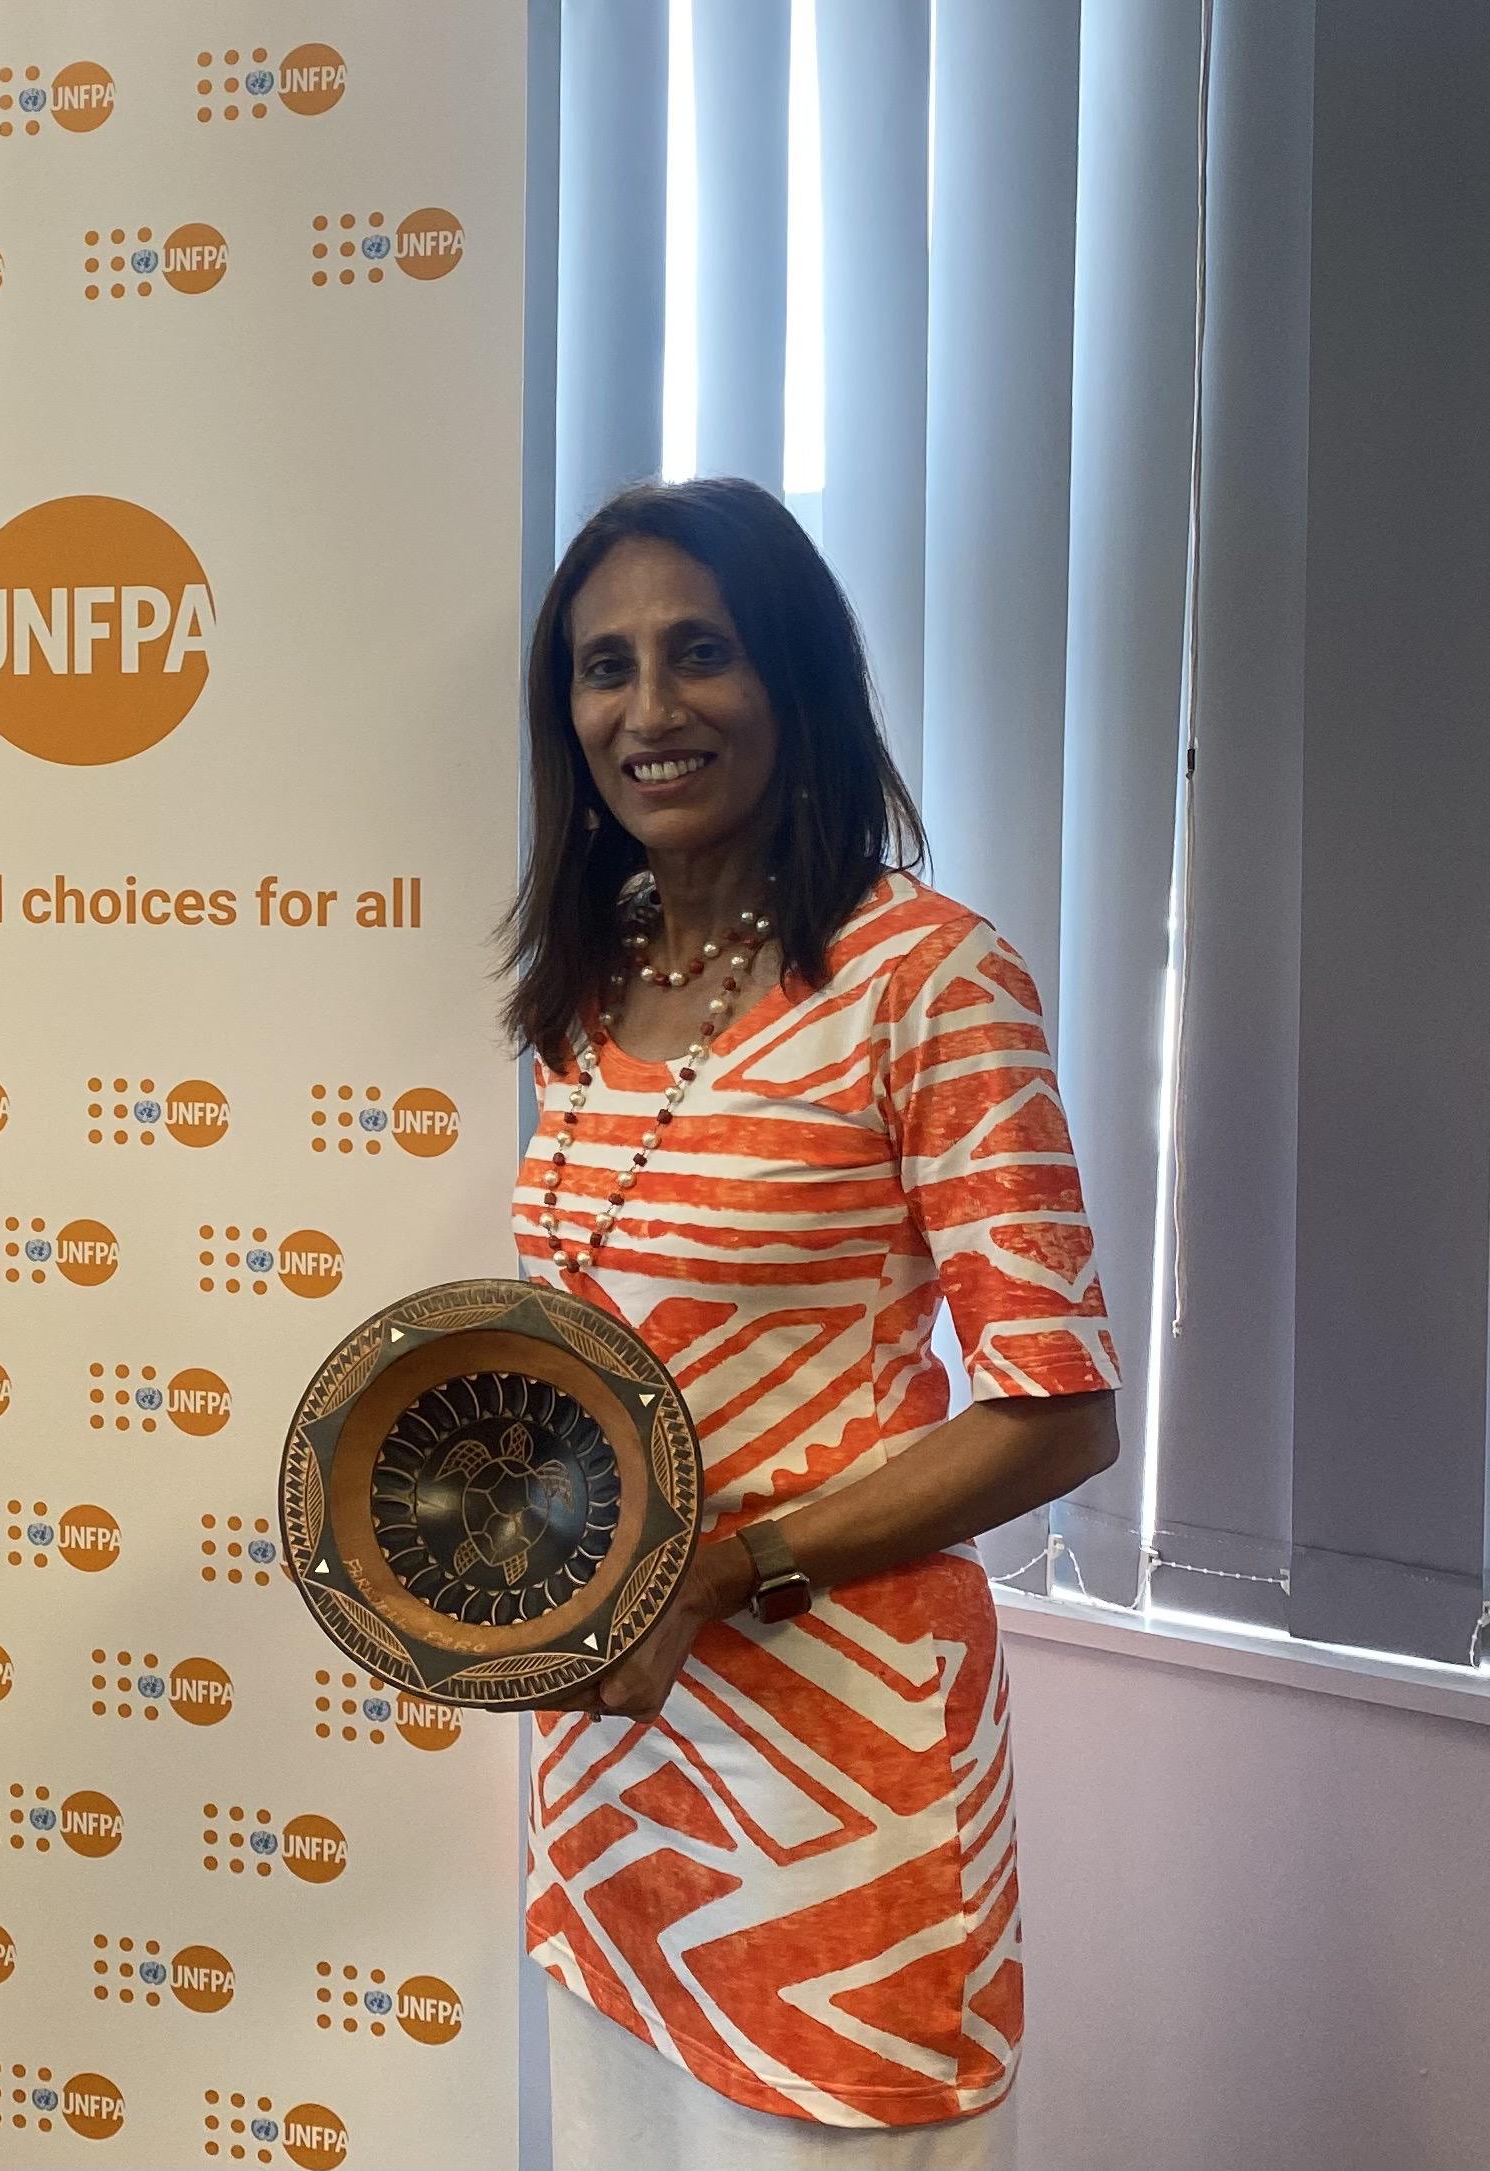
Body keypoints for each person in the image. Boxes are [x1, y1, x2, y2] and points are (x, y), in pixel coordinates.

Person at [505, 479, 1120, 2170]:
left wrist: (720, 1569)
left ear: (796, 678)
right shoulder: (589, 986)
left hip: (843, 1792)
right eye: (605, 666)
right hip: (615, 1771)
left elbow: (1059, 1409)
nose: (649, 708)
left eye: (701, 652)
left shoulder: (927, 978)